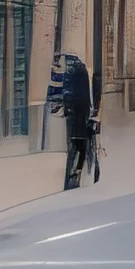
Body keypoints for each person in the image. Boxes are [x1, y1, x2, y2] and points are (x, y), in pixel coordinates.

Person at [48, 47, 99, 191]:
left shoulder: (73, 71)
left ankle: (76, 175)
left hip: (76, 114)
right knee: (80, 144)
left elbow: (57, 94)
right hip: (79, 114)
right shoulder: (80, 70)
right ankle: (79, 174)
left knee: (77, 144)